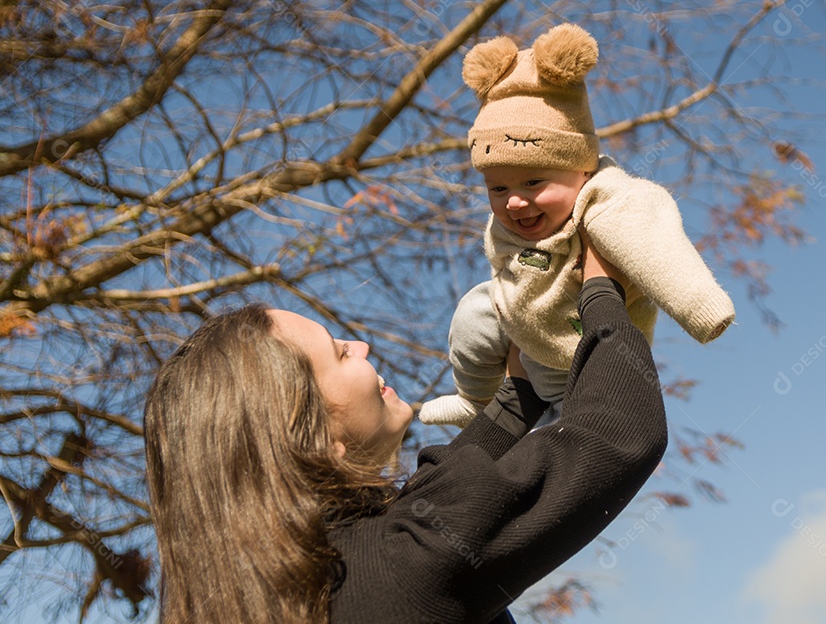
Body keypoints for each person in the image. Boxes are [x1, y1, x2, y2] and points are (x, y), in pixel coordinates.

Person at [144, 232, 668, 623]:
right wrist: (601, 288)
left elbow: (423, 506)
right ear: (309, 436)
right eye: (339, 353)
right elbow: (618, 431)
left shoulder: (297, 590)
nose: (362, 346)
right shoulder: (402, 564)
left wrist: (518, 394)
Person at [419, 23, 735, 428]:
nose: (514, 200)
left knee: (576, 421)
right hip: (524, 328)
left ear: (580, 169)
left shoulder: (607, 199)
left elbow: (654, 241)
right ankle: (474, 400)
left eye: (534, 182)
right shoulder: (513, 216)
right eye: (497, 187)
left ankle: (563, 434)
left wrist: (699, 306)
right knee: (473, 312)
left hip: (584, 346)